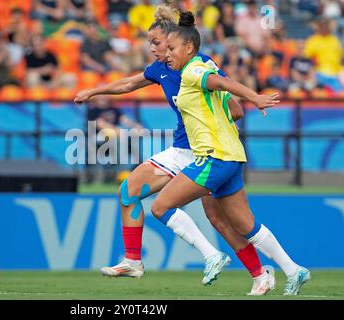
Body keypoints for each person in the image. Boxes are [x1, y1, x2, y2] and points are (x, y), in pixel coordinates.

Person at [75, 5, 271, 293]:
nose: (152, 48)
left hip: (208, 153)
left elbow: (235, 109)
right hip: (181, 150)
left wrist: (213, 125)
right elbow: (130, 82)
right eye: (151, 43)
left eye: (156, 43)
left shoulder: (198, 65)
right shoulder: (160, 70)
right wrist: (94, 91)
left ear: (174, 42)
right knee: (129, 191)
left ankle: (259, 273)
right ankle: (133, 260)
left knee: (224, 221)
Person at [157, 10, 310, 296]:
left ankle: (211, 255)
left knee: (160, 206)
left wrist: (255, 97)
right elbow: (227, 100)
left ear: (188, 48)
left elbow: (221, 83)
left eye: (171, 48)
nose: (166, 54)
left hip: (213, 158)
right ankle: (293, 270)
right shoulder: (199, 66)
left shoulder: (193, 70)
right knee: (244, 223)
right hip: (231, 156)